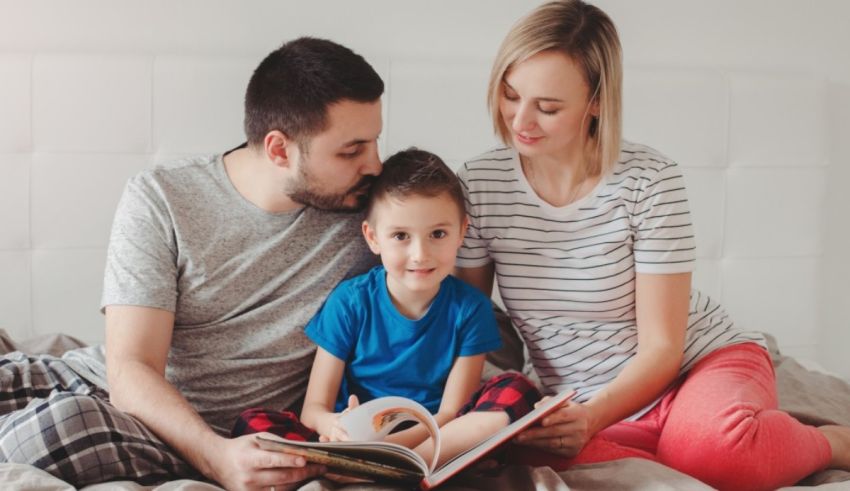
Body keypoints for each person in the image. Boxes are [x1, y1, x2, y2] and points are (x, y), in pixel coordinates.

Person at [454, 1, 850, 490]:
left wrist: (593, 417)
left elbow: (663, 348)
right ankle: (680, 442)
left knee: (712, 455)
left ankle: (831, 442)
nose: (520, 120)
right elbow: (466, 317)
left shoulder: (649, 180)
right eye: (510, 95)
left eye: (548, 106)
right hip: (577, 395)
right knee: (517, 452)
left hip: (692, 362)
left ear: (596, 102)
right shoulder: (478, 181)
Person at [0, 37, 387, 490]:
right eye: (351, 150)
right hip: (115, 387)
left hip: (163, 431)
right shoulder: (161, 197)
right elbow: (131, 368)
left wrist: (221, 454)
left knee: (51, 432)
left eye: (376, 142)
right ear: (279, 149)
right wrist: (215, 459)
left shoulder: (376, 219)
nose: (375, 165)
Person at [232, 148, 540, 467]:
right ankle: (358, 467)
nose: (420, 254)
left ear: (462, 231)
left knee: (518, 391)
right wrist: (336, 430)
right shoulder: (350, 301)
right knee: (254, 425)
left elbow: (450, 412)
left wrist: (389, 448)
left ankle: (396, 467)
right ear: (373, 237)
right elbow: (314, 410)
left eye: (437, 234)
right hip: (352, 437)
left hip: (436, 436)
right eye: (401, 236)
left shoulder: (472, 308)